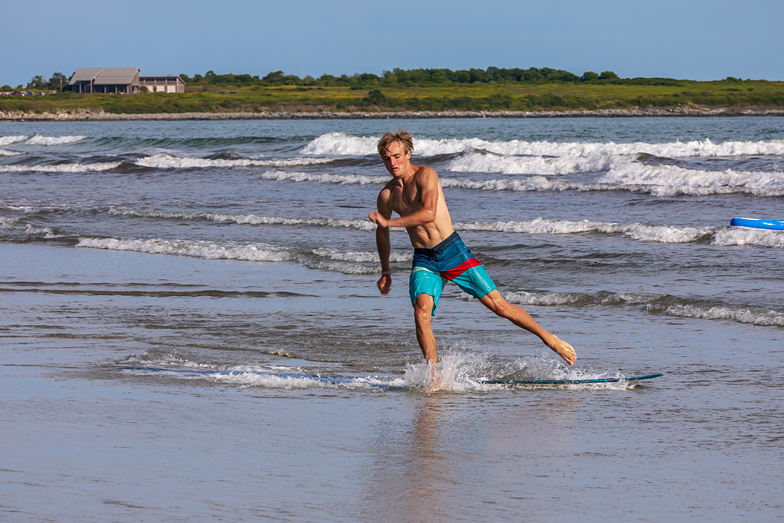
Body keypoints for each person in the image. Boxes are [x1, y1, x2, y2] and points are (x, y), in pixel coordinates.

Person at [368, 131, 576, 388]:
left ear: (408, 154)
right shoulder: (387, 195)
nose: (393, 163)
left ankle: (550, 338)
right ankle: (434, 377)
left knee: (499, 307)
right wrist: (386, 271)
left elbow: (429, 213)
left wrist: (389, 221)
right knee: (421, 313)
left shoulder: (426, 175)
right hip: (424, 259)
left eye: (397, 157)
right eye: (387, 159)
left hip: (453, 251)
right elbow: (382, 233)